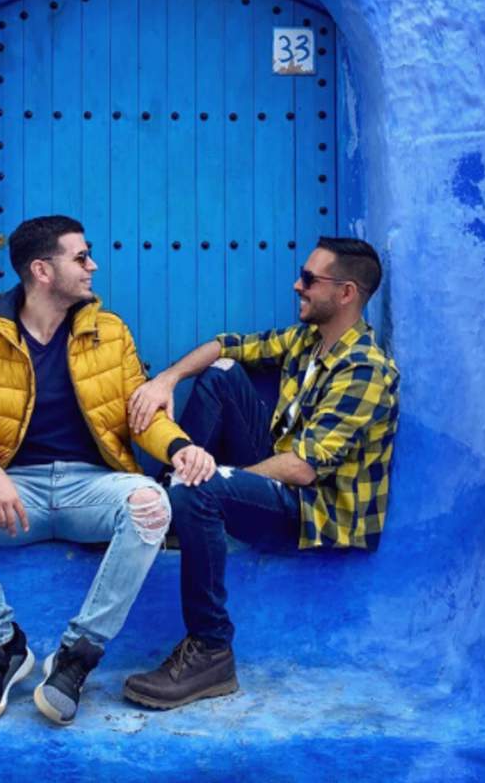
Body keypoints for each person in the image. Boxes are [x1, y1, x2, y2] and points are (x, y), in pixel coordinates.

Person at [0, 215, 215, 730]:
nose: (92, 265)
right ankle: (1, 647)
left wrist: (180, 447)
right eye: (80, 257)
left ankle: (77, 656)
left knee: (149, 503)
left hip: (89, 489)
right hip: (12, 493)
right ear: (41, 270)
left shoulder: (110, 333)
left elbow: (141, 416)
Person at [123, 237, 400, 710]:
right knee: (223, 373)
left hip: (314, 511)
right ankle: (174, 507)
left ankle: (211, 650)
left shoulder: (366, 370)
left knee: (200, 489)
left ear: (347, 293)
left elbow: (304, 468)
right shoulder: (309, 341)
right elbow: (225, 345)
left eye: (310, 279)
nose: (298, 285)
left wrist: (219, 479)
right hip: (279, 473)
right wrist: (166, 380)